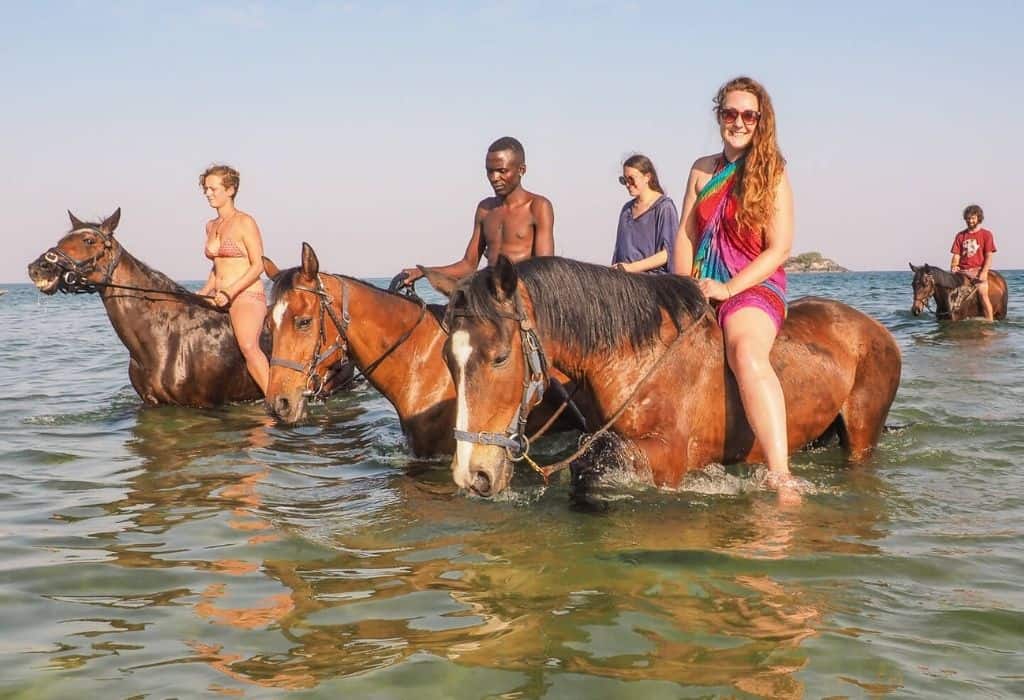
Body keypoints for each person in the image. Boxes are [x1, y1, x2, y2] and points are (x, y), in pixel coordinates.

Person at [671, 76, 795, 490]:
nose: (738, 122)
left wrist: (728, 289)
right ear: (718, 116)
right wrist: (680, 290)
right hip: (698, 285)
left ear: (761, 121)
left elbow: (778, 249)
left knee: (744, 351)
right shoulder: (700, 169)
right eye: (730, 113)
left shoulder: (772, 172)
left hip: (753, 287)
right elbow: (686, 235)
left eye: (748, 115)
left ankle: (781, 475)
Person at [400, 137, 554, 285]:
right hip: (488, 295)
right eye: (490, 171)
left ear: (521, 170)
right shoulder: (485, 210)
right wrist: (423, 272)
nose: (494, 178)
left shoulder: (538, 206)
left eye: (502, 171)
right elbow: (468, 265)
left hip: (522, 298)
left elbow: (544, 270)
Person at [196, 164, 270, 394]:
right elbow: (217, 266)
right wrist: (205, 291)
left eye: (213, 189)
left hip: (246, 296)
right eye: (205, 189)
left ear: (230, 190)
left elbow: (258, 266)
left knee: (248, 346)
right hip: (219, 295)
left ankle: (276, 401)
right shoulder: (211, 225)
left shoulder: (245, 222)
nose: (208, 193)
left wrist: (230, 292)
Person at [610, 154, 678, 273]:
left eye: (631, 179)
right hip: (625, 281)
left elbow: (668, 253)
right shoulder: (626, 210)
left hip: (653, 284)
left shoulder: (664, 207)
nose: (627, 184)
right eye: (624, 180)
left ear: (647, 177)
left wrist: (632, 268)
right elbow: (619, 252)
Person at [950, 204, 997, 321]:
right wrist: (954, 266)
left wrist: (984, 272)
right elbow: (956, 255)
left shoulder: (986, 234)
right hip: (962, 271)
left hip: (978, 270)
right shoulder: (960, 236)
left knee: (982, 294)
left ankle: (990, 322)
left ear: (978, 218)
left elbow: (989, 256)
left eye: (973, 218)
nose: (970, 221)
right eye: (968, 218)